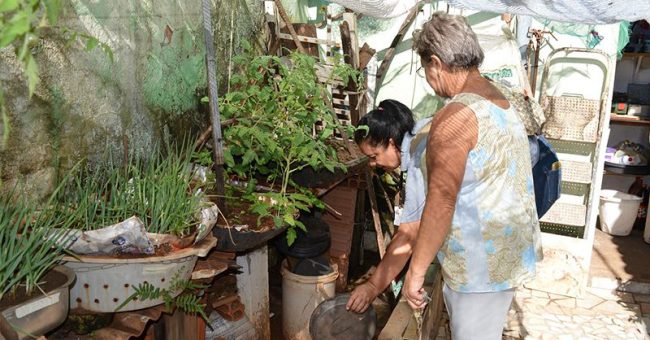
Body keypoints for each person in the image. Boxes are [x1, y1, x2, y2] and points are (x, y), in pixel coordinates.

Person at [401, 12, 542, 340]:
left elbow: (441, 198)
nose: (427, 79)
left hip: (480, 270)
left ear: (435, 63)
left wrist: (416, 271)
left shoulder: (455, 116)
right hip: (504, 260)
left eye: (425, 70)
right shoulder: (498, 97)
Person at [346, 99, 429, 313]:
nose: (373, 164)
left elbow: (409, 236)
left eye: (374, 156)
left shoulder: (420, 160)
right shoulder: (421, 137)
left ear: (392, 143)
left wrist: (373, 286)